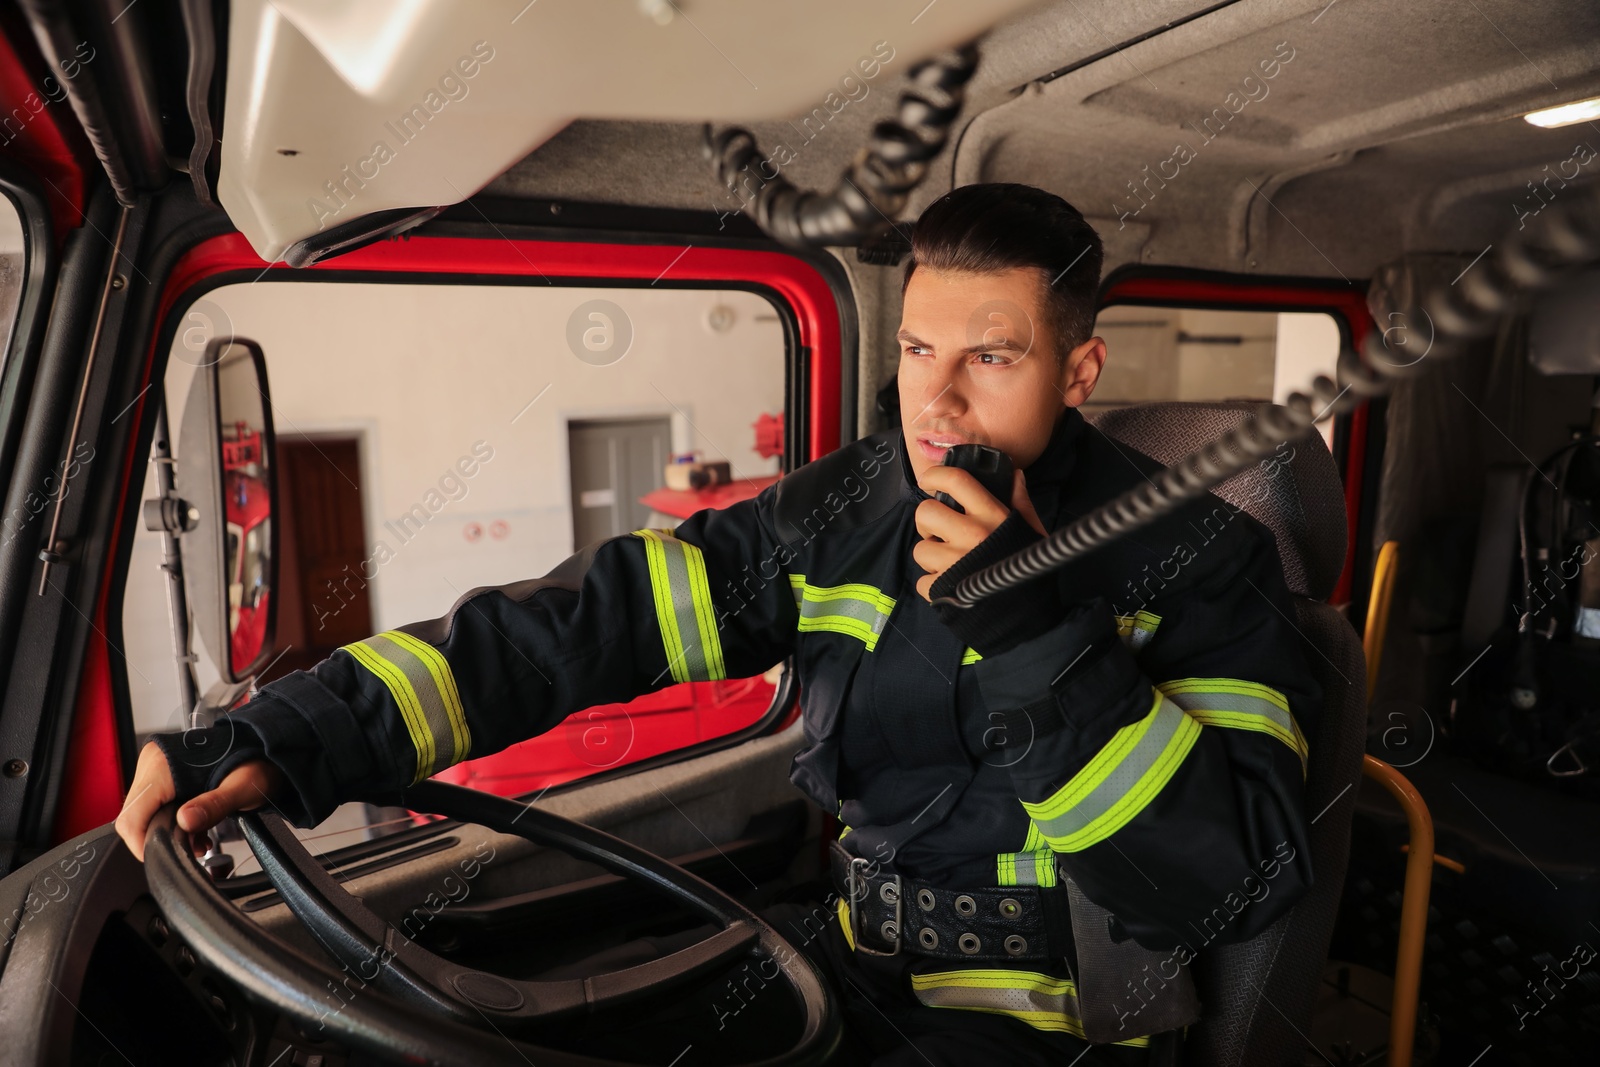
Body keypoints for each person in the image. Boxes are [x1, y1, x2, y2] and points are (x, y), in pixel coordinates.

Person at [115, 183, 1319, 1064]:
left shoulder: (1202, 558)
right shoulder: (844, 512)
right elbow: (584, 626)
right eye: (914, 349)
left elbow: (1229, 883)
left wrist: (1035, 635)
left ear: (1080, 369)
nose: (935, 399)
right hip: (845, 960)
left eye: (991, 357)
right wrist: (295, 730)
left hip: (1041, 1025)